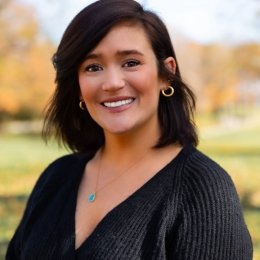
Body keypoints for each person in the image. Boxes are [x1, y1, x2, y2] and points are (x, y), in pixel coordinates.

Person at [6, 0, 252, 259]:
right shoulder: (56, 178)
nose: (112, 83)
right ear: (77, 86)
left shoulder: (203, 190)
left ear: (166, 74)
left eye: (131, 62)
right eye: (93, 67)